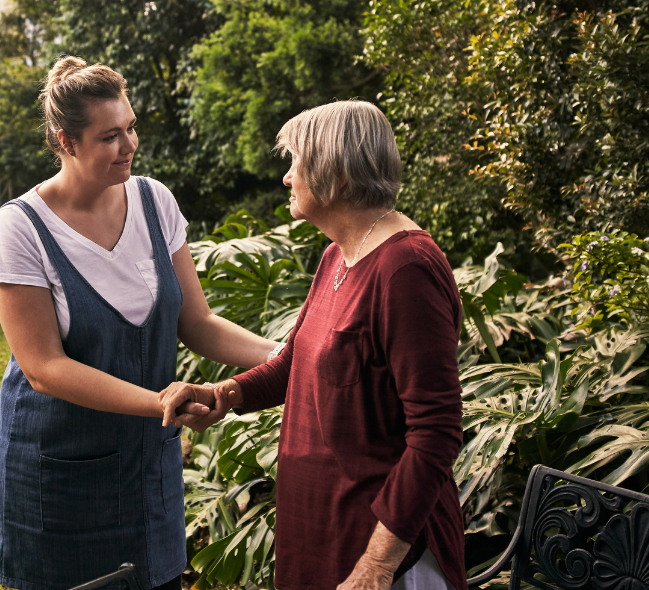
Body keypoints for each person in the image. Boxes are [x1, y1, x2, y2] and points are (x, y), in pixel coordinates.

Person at [0, 57, 280, 590]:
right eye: (110, 137)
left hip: (148, 475)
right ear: (66, 141)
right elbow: (44, 368)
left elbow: (199, 321)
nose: (129, 146)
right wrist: (161, 402)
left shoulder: (153, 201)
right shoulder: (21, 227)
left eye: (132, 128)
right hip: (62, 481)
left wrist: (286, 353)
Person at [162, 100, 467, 590]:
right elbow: (296, 361)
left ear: (338, 176)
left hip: (385, 555)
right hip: (325, 532)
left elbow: (436, 432)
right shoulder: (337, 256)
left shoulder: (406, 269)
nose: (286, 179)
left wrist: (378, 564)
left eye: (295, 163)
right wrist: (224, 396)